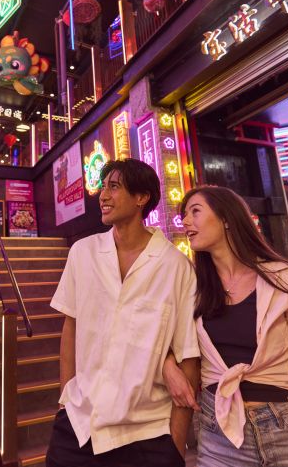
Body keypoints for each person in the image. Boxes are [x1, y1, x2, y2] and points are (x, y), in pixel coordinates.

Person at [162, 186, 288, 467]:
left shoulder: (286, 279)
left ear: (227, 218)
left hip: (287, 431)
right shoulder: (192, 286)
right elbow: (160, 338)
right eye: (184, 215)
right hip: (218, 434)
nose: (185, 222)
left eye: (195, 212)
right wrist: (167, 365)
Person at [46, 158, 201, 467]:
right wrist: (66, 398)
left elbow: (188, 355)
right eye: (103, 187)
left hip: (146, 433)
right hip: (78, 425)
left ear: (141, 198)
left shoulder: (175, 267)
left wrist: (176, 447)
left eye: (114, 187)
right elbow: (71, 327)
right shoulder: (83, 253)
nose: (103, 195)